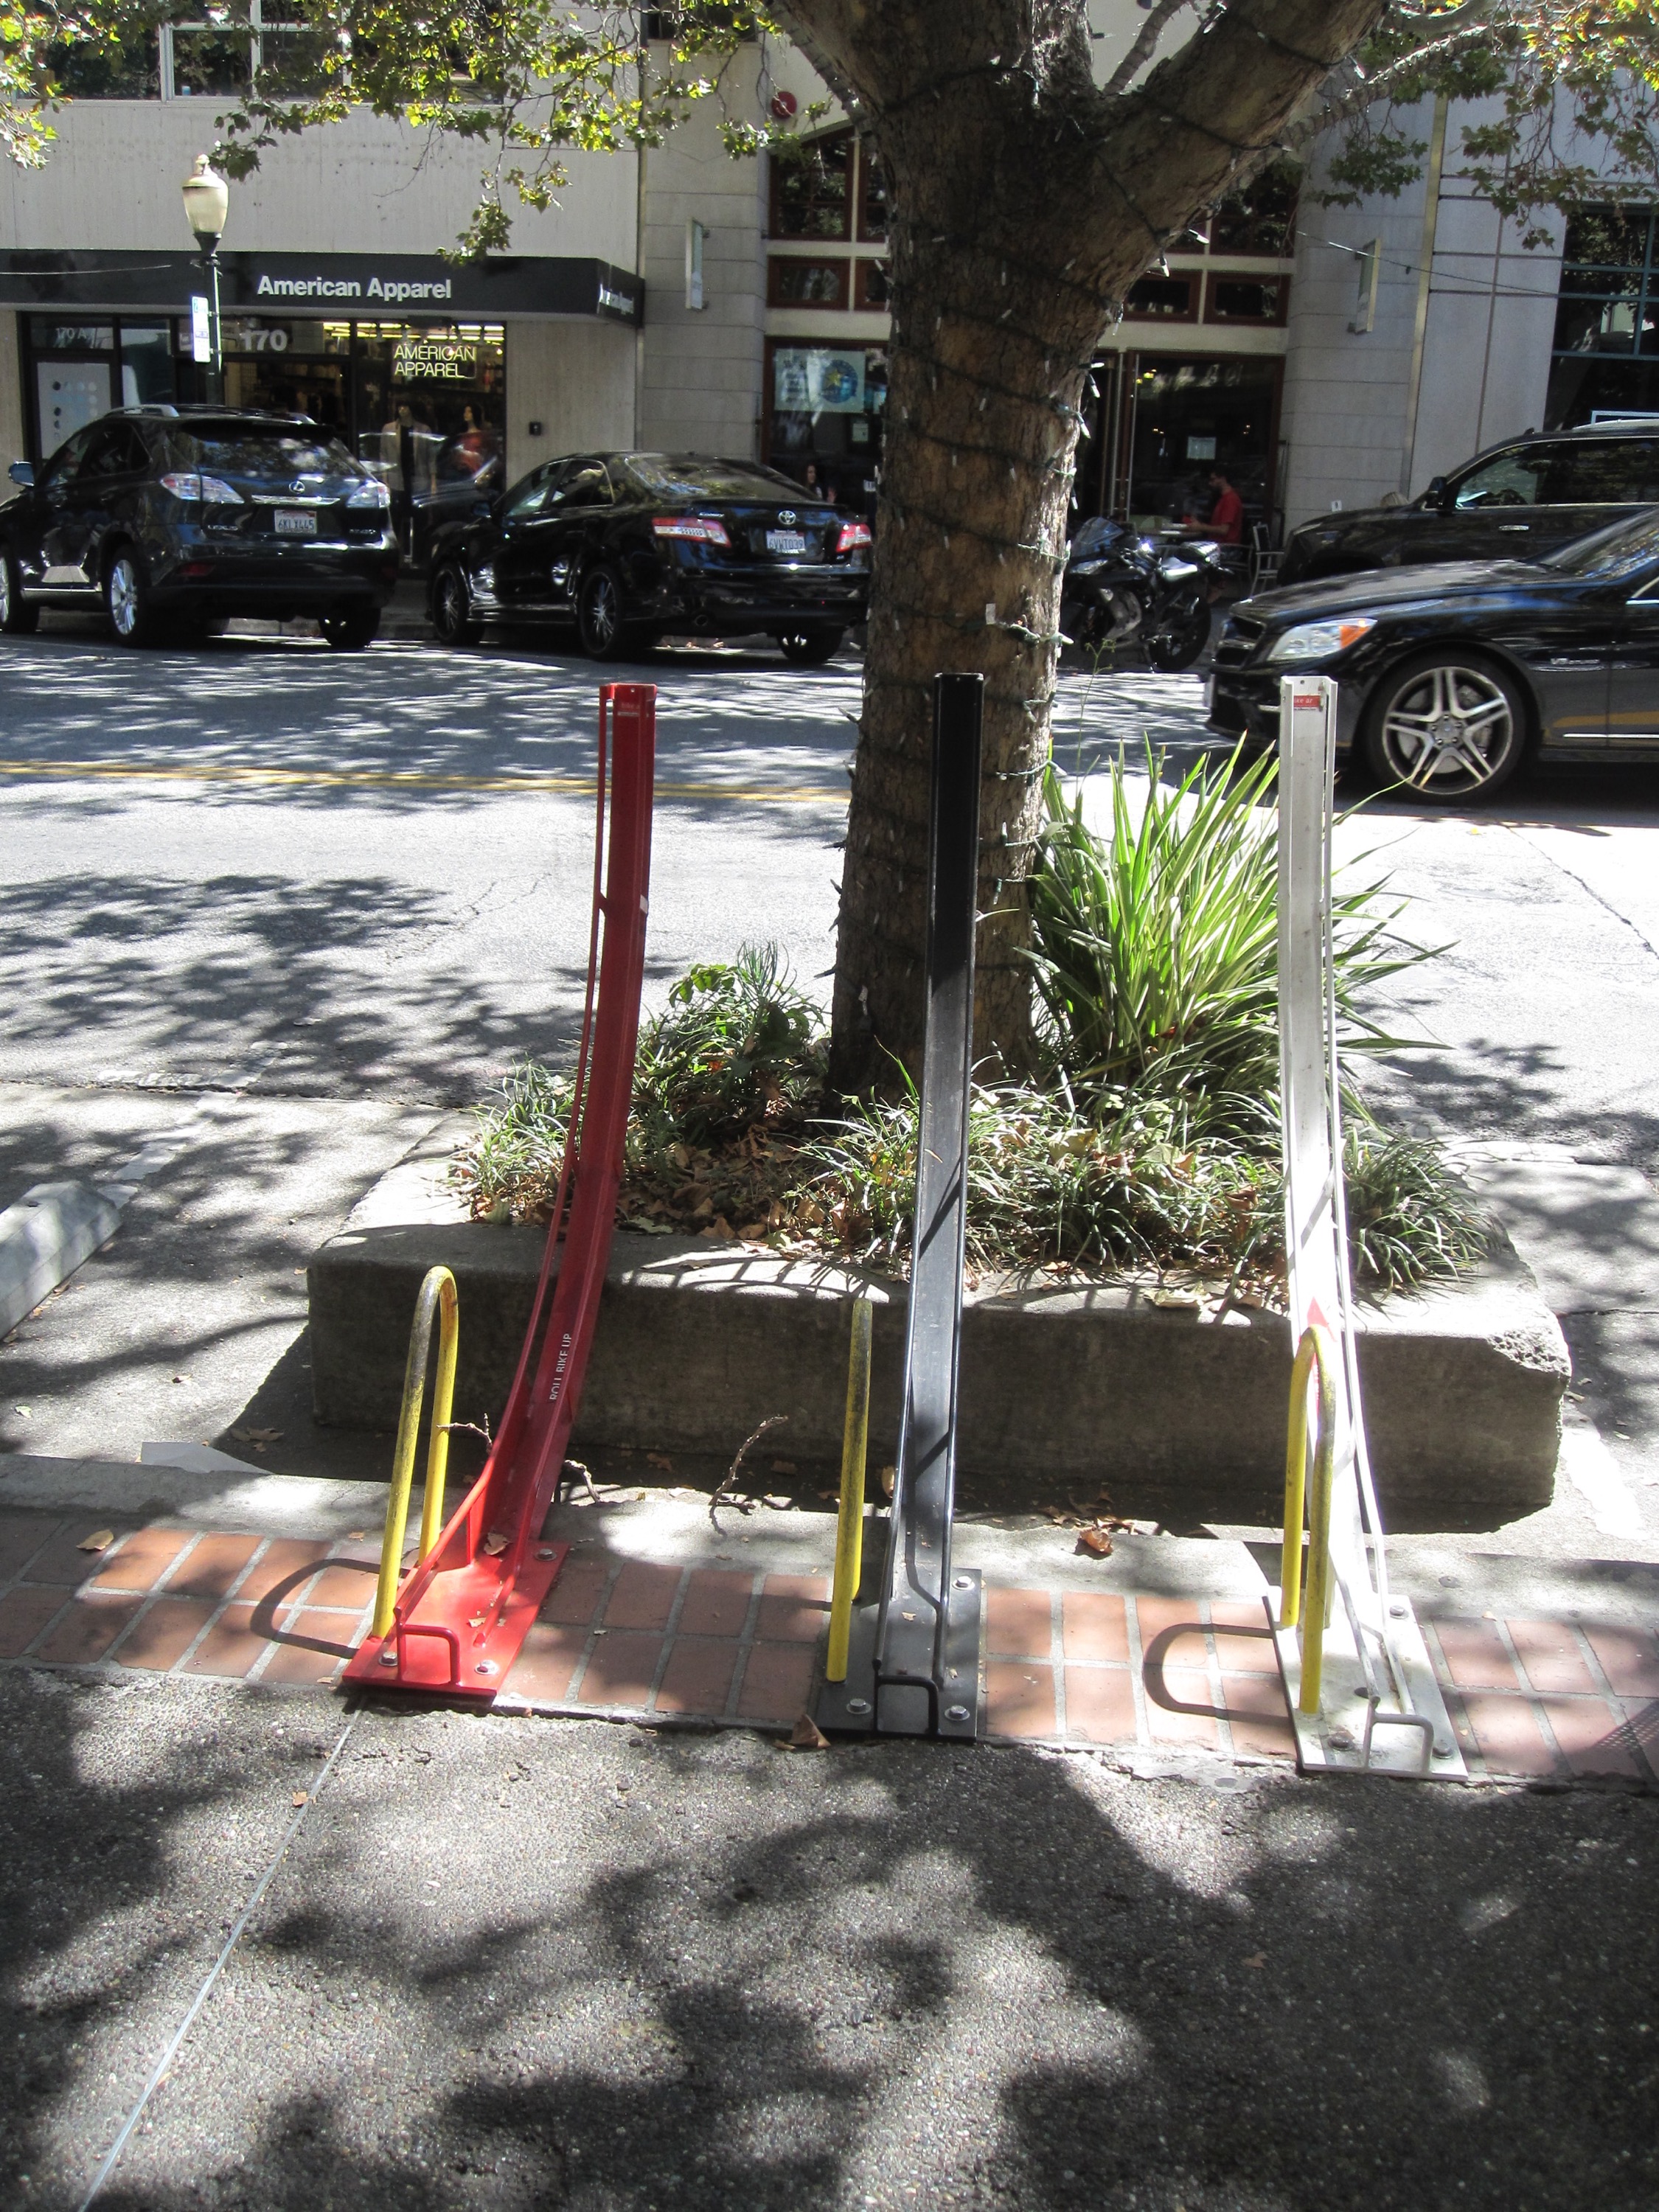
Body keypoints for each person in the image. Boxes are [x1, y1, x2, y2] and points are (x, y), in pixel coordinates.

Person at [1206, 465, 1245, 545]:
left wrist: (1201, 527)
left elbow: (1223, 530)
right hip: (1218, 545)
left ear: (1223, 479)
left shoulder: (1230, 500)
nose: (1210, 483)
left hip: (1225, 547)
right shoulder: (1223, 498)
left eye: (1213, 480)